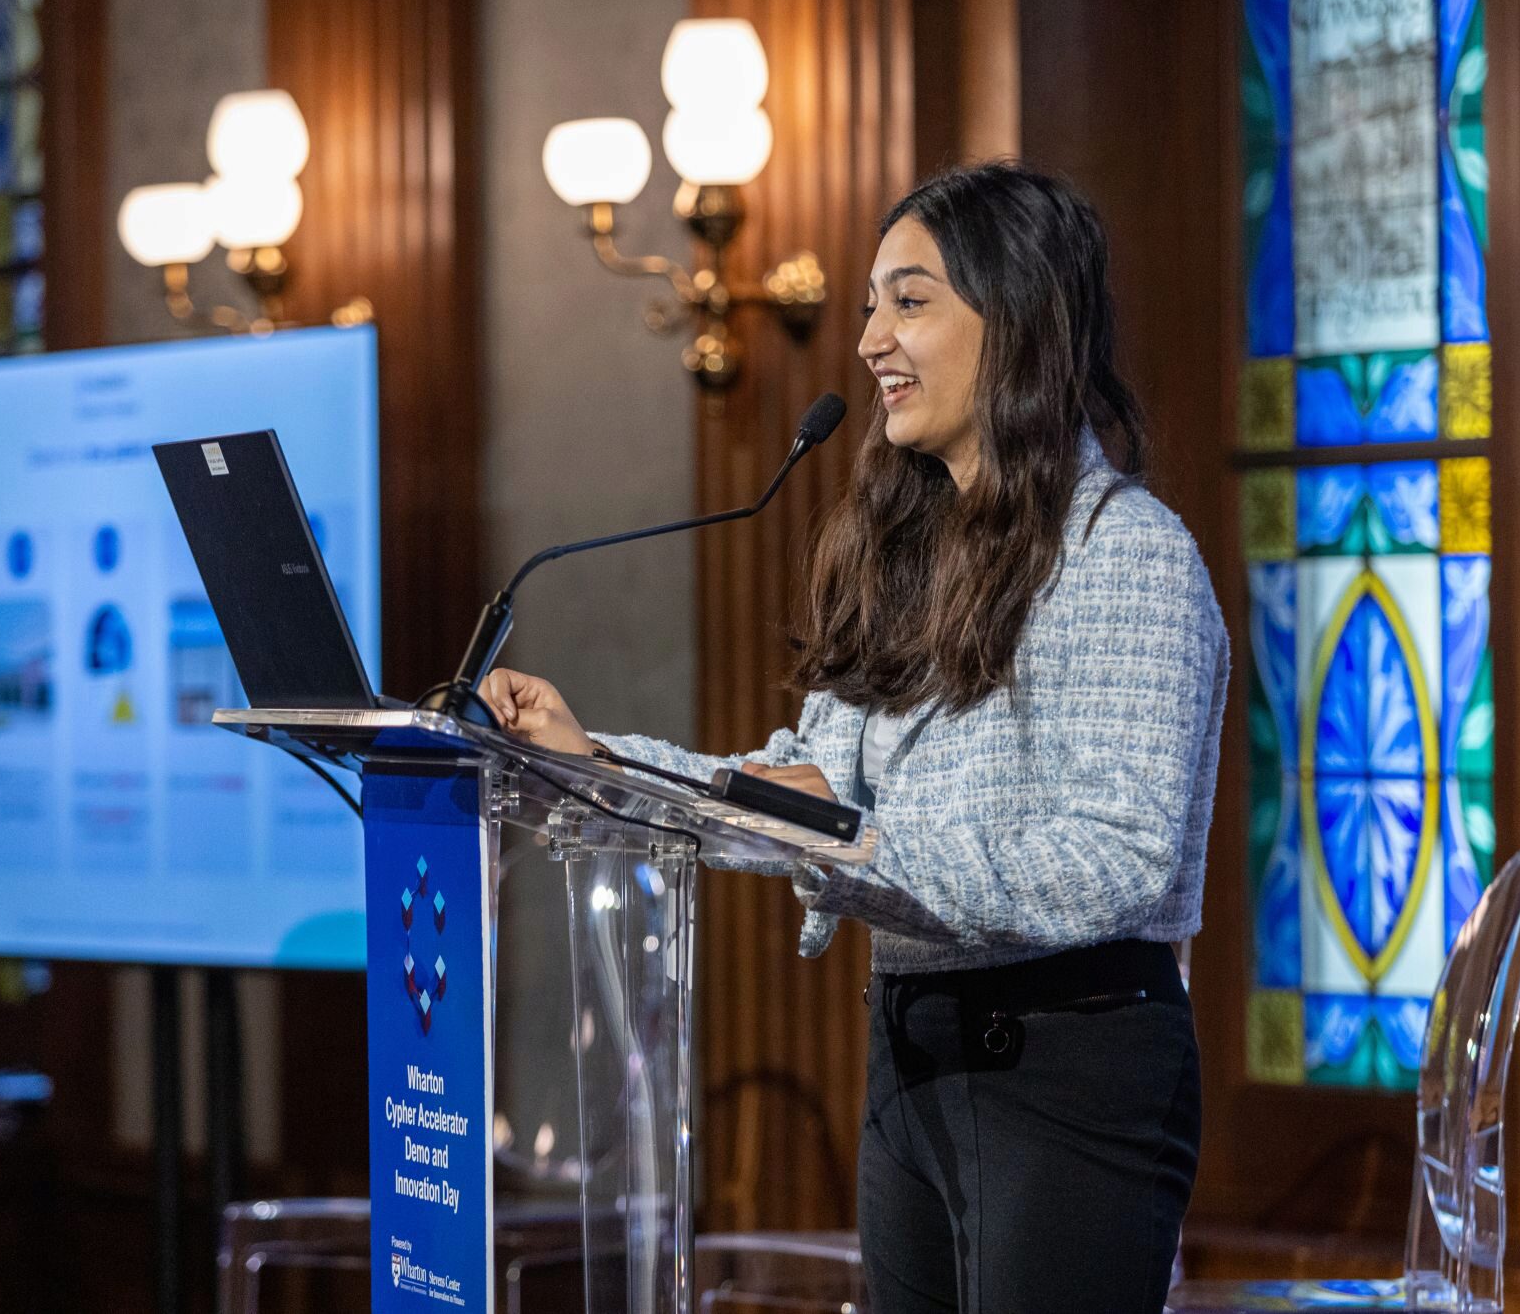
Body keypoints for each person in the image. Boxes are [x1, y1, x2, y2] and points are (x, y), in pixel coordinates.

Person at [476, 161, 1228, 1314]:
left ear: (1018, 317)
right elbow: (803, 789)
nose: (871, 337)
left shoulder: (1126, 554)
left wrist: (864, 850)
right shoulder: (907, 557)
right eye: (871, 302)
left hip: (1069, 1068)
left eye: (910, 300)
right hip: (911, 1052)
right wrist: (595, 760)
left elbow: (1117, 858)